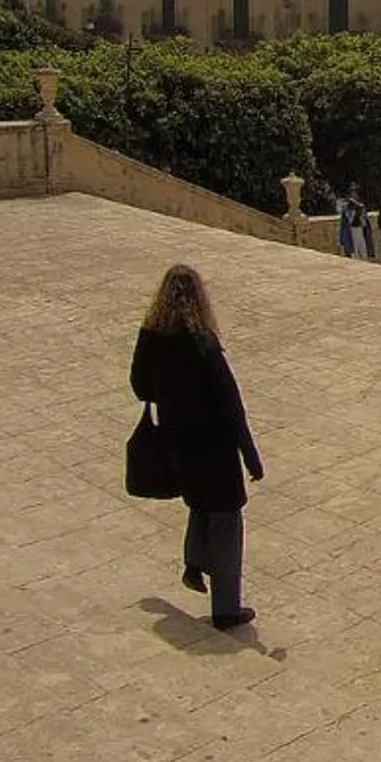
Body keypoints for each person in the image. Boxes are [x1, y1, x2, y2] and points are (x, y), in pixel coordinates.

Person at [130, 264, 264, 630]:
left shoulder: (150, 337)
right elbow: (231, 406)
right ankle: (226, 610)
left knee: (200, 504)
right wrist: (251, 457)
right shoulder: (202, 342)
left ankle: (193, 561)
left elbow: (140, 385)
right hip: (214, 448)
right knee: (225, 518)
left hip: (176, 441)